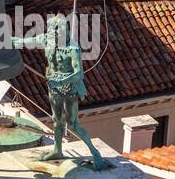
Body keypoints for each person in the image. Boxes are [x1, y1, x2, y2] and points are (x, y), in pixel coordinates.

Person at [12, 13, 108, 169]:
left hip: (69, 87)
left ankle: (95, 152)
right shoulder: (47, 40)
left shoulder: (73, 48)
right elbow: (28, 41)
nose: (56, 32)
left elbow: (79, 74)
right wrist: (14, 41)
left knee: (73, 124)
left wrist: (61, 81)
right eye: (53, 29)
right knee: (56, 121)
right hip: (54, 87)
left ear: (66, 30)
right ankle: (57, 150)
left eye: (59, 29)